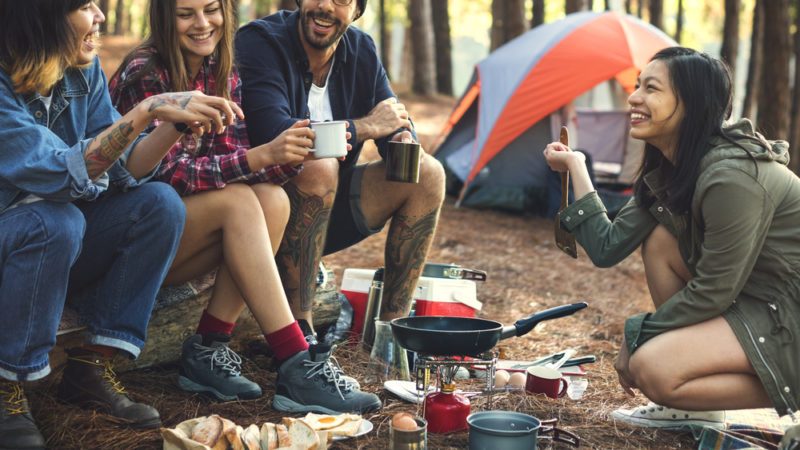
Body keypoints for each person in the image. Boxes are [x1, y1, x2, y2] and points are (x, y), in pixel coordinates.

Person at [109, 0, 380, 414]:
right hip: (136, 240)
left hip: (190, 235)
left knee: (272, 199)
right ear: (165, 18)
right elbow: (160, 177)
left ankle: (207, 348)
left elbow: (234, 160)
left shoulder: (223, 67)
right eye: (186, 14)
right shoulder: (145, 72)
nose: (202, 24)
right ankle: (295, 362)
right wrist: (260, 157)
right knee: (239, 201)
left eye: (212, 10)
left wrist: (283, 157)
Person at [0, 1, 249, 447]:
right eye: (85, 6)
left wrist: (171, 124)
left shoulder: (81, 70)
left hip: (60, 244)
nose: (99, 17)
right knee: (54, 221)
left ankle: (92, 367)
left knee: (159, 204)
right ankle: (6, 389)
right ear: (43, 16)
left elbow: (122, 170)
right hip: (14, 242)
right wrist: (145, 110)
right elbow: (58, 172)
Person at [543, 47, 800, 429]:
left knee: (652, 367)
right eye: (637, 86)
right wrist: (577, 166)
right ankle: (698, 403)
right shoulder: (674, 168)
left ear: (692, 104)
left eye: (652, 88)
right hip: (754, 300)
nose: (634, 97)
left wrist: (638, 336)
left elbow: (714, 290)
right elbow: (606, 247)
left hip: (786, 313)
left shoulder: (732, 177)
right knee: (661, 240)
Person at [234, 0, 446, 408]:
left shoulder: (360, 50)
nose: (327, 6)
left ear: (358, 9)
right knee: (318, 164)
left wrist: (403, 139)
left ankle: (391, 335)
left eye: (343, 0)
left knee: (428, 172)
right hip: (259, 217)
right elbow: (276, 134)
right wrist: (366, 126)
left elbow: (393, 118)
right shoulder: (260, 41)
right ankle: (301, 337)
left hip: (325, 214)